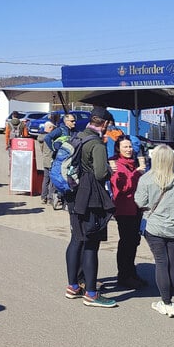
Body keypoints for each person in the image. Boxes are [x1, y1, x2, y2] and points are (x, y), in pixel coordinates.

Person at [64, 107, 117, 307]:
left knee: (76, 239)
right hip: (90, 197)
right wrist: (110, 171)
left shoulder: (77, 137)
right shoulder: (96, 144)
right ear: (103, 123)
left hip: (73, 195)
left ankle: (73, 286)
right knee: (91, 244)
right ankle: (92, 294)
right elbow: (101, 173)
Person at [135, 144, 174, 317]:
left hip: (154, 227)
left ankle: (166, 301)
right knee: (172, 262)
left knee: (161, 262)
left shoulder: (146, 179)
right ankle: (168, 300)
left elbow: (140, 202)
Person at [110, 136, 146, 289]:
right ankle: (124, 276)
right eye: (125, 147)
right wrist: (137, 174)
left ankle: (131, 272)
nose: (129, 149)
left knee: (133, 241)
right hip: (124, 209)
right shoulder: (115, 165)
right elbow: (122, 188)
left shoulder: (134, 163)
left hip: (136, 207)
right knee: (126, 243)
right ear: (118, 148)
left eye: (130, 146)